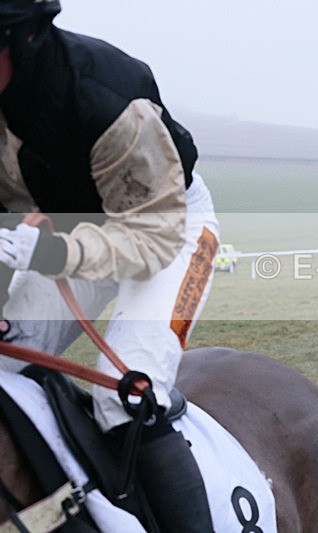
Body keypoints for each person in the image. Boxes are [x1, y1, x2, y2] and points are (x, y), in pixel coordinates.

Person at [0, 1, 217, 530]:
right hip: (64, 228)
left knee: (126, 393)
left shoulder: (108, 98)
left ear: (24, 39)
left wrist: (50, 254)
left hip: (165, 227)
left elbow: (150, 238)